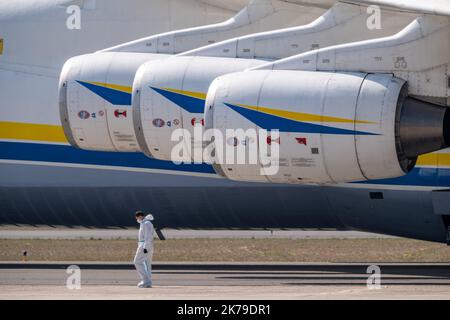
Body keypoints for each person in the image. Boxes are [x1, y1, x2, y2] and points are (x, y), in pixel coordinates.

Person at [134, 211, 154, 288]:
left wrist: (145, 247)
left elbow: (148, 237)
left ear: (140, 216)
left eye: (137, 217)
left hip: (144, 246)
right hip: (145, 245)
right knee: (146, 263)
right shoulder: (144, 223)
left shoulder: (146, 224)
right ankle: (147, 282)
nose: (137, 219)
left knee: (137, 262)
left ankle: (146, 280)